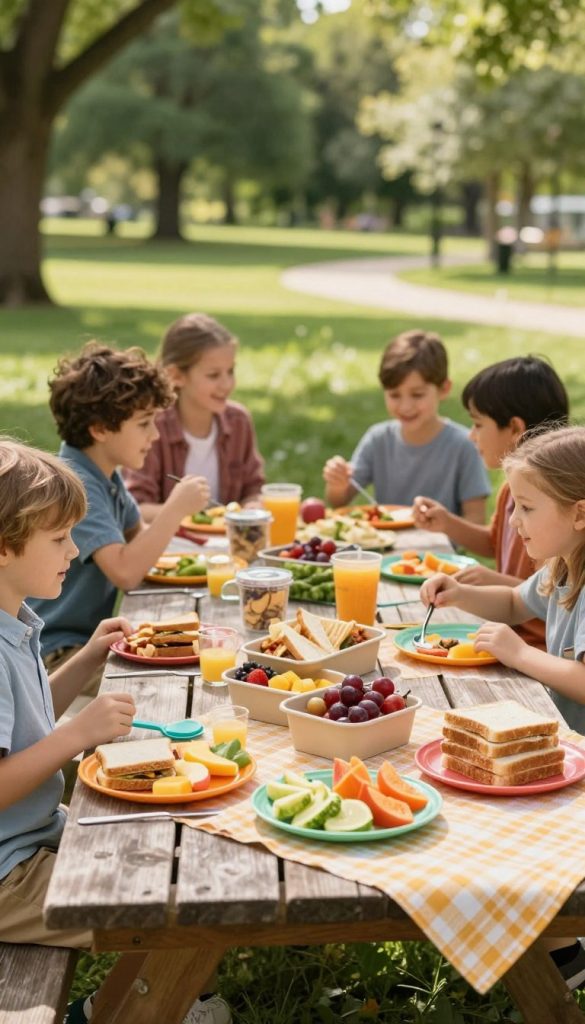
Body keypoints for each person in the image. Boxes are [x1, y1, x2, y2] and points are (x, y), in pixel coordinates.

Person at [0, 438, 231, 1024]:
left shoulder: (17, 619)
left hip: (36, 837)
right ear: (4, 548)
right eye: (58, 539)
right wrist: (76, 736)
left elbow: (22, 724)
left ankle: (137, 1003)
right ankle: (118, 1014)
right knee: (177, 904)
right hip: (8, 878)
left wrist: (82, 663)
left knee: (178, 858)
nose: (75, 552)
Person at [419, 423, 585, 992]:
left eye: (527, 509)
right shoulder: (563, 564)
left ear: (580, 513)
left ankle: (562, 954)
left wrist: (518, 654)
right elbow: (516, 600)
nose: (514, 522)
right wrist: (462, 593)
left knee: (502, 818)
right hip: (562, 746)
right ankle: (548, 944)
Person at [30, 342, 211, 678]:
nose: (155, 435)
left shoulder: (104, 474)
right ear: (100, 429)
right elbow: (126, 571)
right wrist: (175, 508)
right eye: (144, 423)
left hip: (85, 643)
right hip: (58, 654)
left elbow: (141, 544)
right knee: (163, 682)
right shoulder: (78, 484)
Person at [413, 355, 569, 649]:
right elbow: (495, 543)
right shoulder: (512, 491)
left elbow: (556, 596)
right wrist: (448, 523)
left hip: (533, 643)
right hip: (507, 634)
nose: (471, 435)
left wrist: (491, 580)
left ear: (514, 428)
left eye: (477, 424)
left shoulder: (558, 512)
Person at [322, 329, 490, 520]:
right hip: (386, 547)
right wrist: (337, 483)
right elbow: (338, 501)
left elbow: (476, 519)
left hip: (437, 549)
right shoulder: (378, 439)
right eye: (394, 395)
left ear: (444, 389)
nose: (405, 406)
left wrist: (445, 527)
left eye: (417, 395)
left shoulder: (464, 445)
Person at [124, 313, 265, 522]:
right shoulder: (152, 427)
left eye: (231, 371)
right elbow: (136, 508)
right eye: (213, 375)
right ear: (176, 376)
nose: (227, 384)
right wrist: (194, 513)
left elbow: (254, 489)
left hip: (228, 547)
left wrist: (252, 505)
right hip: (172, 547)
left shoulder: (239, 421)